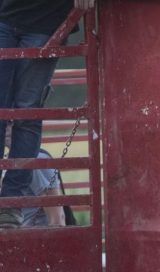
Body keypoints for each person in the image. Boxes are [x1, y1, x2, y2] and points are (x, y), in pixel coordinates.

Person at [0, 0, 95, 229]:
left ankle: (11, 204)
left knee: (27, 111)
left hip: (44, 21)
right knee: (16, 110)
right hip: (6, 15)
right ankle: (11, 205)